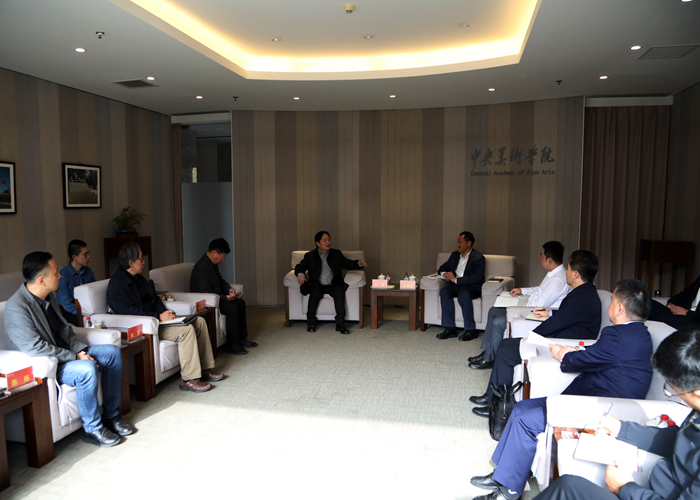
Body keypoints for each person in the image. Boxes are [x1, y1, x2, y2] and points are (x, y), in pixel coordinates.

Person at [469, 279, 654, 500]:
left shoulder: (617, 336)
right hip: (596, 399)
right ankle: (502, 474)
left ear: (620, 308)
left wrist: (563, 354)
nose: (610, 305)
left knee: (527, 421)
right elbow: (599, 356)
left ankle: (508, 492)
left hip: (599, 409)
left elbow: (583, 361)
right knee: (521, 408)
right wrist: (572, 352)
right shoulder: (638, 334)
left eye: (613, 301)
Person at [530, 325, 700, 500]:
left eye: (672, 390)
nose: (674, 393)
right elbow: (678, 441)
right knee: (567, 485)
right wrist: (621, 428)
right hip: (660, 482)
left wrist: (625, 488)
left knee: (567, 488)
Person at [4, 252, 131, 447]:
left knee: (112, 353)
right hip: (52, 364)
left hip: (69, 354)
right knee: (86, 369)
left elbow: (65, 329)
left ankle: (111, 416)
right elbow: (37, 348)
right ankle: (92, 429)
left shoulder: (48, 297)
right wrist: (75, 357)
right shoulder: (17, 307)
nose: (60, 275)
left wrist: (81, 351)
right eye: (56, 272)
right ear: (41, 280)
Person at [471, 250, 601, 417]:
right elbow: (567, 316)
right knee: (506, 345)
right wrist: (550, 314)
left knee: (506, 351)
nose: (566, 272)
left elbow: (556, 323)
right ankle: (491, 397)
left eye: (568, 268)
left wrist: (531, 337)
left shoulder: (580, 297)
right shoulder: (585, 293)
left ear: (575, 274)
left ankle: (495, 406)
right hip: (561, 340)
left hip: (563, 345)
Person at [107, 243, 223, 393]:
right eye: (141, 259)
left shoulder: (139, 279)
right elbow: (128, 313)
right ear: (131, 262)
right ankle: (188, 380)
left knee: (199, 321)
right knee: (186, 331)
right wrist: (158, 317)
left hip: (158, 321)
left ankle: (205, 369)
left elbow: (154, 300)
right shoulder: (117, 285)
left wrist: (166, 314)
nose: (143, 262)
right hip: (146, 327)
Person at [470, 241, 569, 370]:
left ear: (549, 260)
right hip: (528, 308)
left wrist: (518, 305)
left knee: (499, 322)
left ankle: (489, 359)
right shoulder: (553, 273)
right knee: (493, 311)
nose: (540, 258)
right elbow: (540, 290)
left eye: (541, 255)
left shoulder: (558, 280)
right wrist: (522, 290)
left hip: (534, 314)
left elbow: (539, 305)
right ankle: (487, 351)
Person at [190, 238, 256, 356]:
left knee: (240, 303)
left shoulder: (212, 264)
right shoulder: (201, 267)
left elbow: (220, 280)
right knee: (232, 308)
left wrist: (229, 289)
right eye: (222, 257)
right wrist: (225, 298)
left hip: (216, 297)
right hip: (207, 302)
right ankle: (232, 344)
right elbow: (206, 292)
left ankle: (241, 338)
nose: (222, 260)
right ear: (214, 252)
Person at [295, 231, 368, 334]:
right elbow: (299, 266)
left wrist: (359, 263)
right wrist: (301, 274)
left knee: (339, 292)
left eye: (329, 240)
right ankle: (311, 322)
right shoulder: (310, 256)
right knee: (314, 293)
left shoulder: (336, 254)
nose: (328, 242)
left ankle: (340, 324)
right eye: (324, 240)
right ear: (317, 243)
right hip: (317, 284)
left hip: (333, 284)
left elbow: (347, 263)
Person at [436, 231, 486, 341]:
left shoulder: (478, 257)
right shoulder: (455, 255)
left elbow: (477, 278)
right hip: (456, 286)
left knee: (464, 294)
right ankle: (450, 329)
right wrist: (445, 273)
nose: (458, 245)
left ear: (469, 243)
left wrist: (457, 280)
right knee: (444, 291)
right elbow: (441, 268)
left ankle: (470, 330)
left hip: (472, 287)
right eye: (458, 242)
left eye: (460, 242)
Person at [56, 239, 96, 327]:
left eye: (88, 253)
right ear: (74, 257)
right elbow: (67, 304)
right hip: (69, 311)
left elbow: (94, 293)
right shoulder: (63, 276)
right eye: (85, 254)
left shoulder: (88, 271)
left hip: (86, 309)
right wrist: (84, 312)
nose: (88, 257)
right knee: (88, 322)